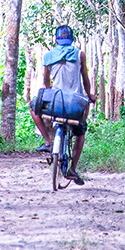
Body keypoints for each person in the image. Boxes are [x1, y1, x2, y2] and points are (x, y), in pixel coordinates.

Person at [28, 24, 94, 185]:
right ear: (72, 39)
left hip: (56, 101)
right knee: (80, 133)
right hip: (75, 103)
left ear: (56, 39)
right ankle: (73, 168)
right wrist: (90, 94)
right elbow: (85, 78)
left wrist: (49, 88)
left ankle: (48, 141)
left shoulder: (49, 55)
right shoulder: (80, 54)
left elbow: (45, 79)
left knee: (33, 107)